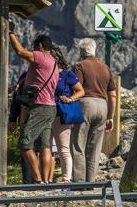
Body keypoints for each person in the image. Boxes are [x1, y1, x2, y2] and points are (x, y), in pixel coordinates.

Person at [9, 29, 60, 183]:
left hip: (38, 107)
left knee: (24, 144)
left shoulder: (41, 57)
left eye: (35, 47)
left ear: (40, 46)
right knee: (44, 146)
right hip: (50, 108)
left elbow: (20, 51)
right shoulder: (54, 63)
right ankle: (46, 181)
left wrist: (10, 33)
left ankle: (37, 179)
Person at [70, 38, 116, 182]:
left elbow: (76, 89)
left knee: (78, 144)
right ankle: (91, 182)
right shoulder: (105, 68)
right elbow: (113, 95)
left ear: (81, 52)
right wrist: (110, 117)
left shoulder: (80, 66)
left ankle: (79, 182)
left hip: (85, 105)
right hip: (102, 106)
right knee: (95, 148)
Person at [51, 47, 84, 184]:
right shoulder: (43, 74)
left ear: (57, 59)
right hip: (46, 113)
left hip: (61, 114)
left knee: (63, 148)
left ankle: (66, 179)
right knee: (46, 148)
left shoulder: (66, 75)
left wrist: (70, 99)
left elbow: (80, 91)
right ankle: (46, 179)